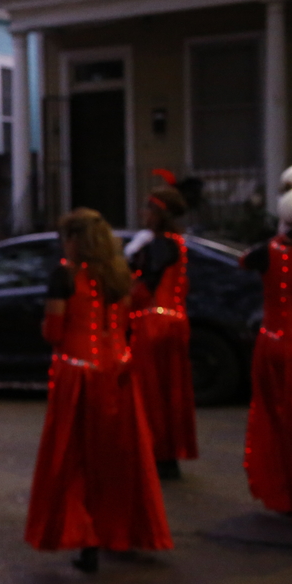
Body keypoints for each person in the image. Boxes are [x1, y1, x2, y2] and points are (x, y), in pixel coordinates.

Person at [25, 208, 171, 573]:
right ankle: (121, 532)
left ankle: (85, 538)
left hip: (78, 376)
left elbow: (54, 332)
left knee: (74, 460)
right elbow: (124, 325)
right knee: (120, 457)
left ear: (74, 241)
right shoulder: (119, 275)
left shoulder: (65, 275)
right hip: (118, 375)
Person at [125, 186, 198, 479]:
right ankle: (168, 454)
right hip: (173, 322)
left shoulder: (157, 246)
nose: (142, 213)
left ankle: (155, 453)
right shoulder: (176, 243)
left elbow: (143, 286)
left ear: (157, 214)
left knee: (150, 392)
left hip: (152, 324)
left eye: (147, 209)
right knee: (171, 391)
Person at [242, 188, 292, 523]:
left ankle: (285, 493)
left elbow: (243, 261)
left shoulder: (267, 252)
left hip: (273, 344)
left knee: (277, 422)